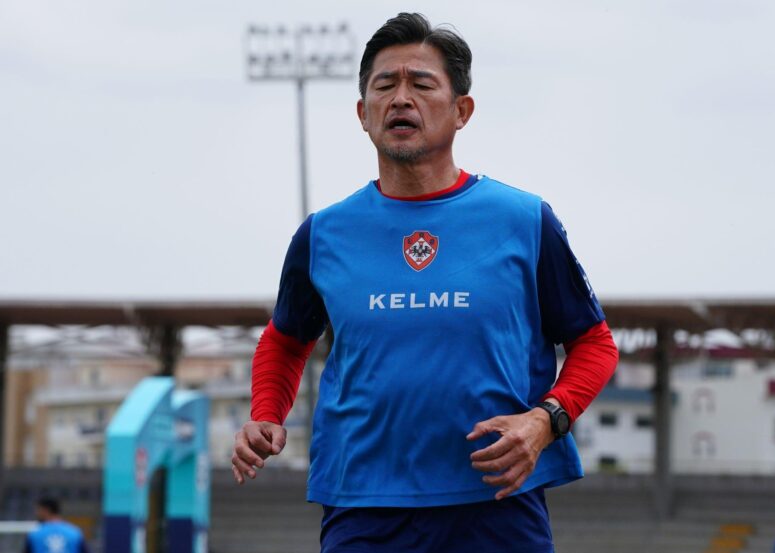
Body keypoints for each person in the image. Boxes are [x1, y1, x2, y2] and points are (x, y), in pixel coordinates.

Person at [232, 12, 619, 552]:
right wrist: (265, 415)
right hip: (363, 504)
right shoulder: (323, 234)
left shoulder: (524, 221)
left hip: (497, 500)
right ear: (363, 114)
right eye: (384, 85)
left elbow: (593, 343)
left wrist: (544, 422)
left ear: (462, 110)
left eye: (421, 83)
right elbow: (285, 340)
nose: (400, 98)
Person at [23, 497, 89, 553]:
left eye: (38, 510)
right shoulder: (74, 532)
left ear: (45, 510)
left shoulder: (35, 534)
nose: (36, 513)